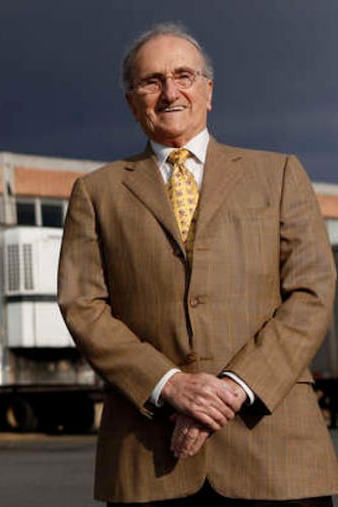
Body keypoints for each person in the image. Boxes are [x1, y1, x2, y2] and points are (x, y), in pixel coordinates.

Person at [57, 22, 338, 506]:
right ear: (131, 101)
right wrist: (169, 386)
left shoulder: (281, 175)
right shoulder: (96, 193)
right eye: (152, 81)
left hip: (275, 452)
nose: (170, 92)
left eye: (184, 76)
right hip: (150, 459)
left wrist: (232, 389)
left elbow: (311, 292)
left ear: (208, 91)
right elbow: (83, 306)